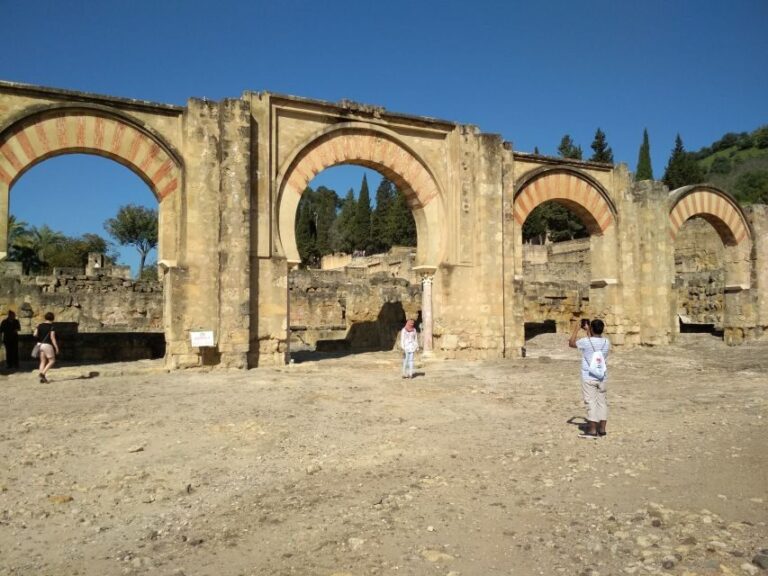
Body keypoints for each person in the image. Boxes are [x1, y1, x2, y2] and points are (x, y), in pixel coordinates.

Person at [569, 318, 611, 438]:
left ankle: (592, 430)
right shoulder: (606, 342)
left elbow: (571, 343)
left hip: (588, 376)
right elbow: (593, 342)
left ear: (591, 329)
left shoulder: (585, 342)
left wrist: (576, 329)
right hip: (602, 376)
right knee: (602, 402)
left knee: (591, 402)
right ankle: (602, 429)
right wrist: (590, 331)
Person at [33, 312, 59, 383]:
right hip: (47, 345)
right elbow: (52, 338)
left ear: (45, 317)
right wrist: (56, 347)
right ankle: (42, 374)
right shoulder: (52, 327)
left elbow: (35, 335)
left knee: (43, 361)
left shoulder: (40, 325)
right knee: (52, 361)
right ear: (53, 318)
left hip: (39, 344)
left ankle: (42, 379)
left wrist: (37, 327)